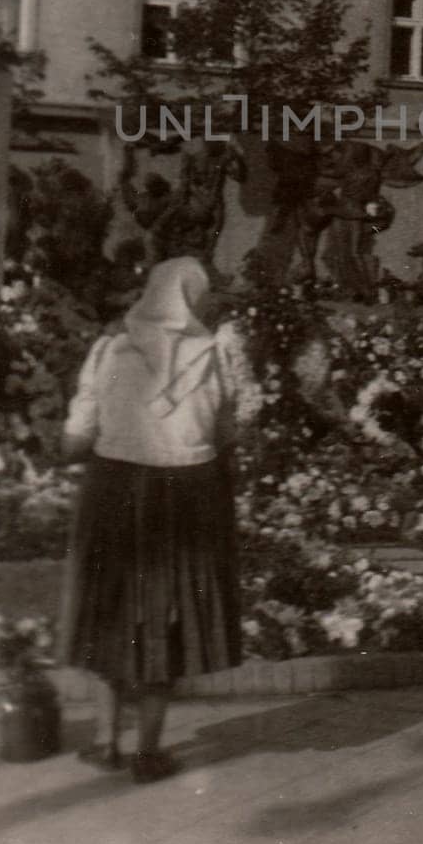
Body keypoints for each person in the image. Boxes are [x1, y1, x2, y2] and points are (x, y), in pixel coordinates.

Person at [59, 257, 243, 783]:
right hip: (188, 497)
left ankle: (106, 742)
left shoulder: (110, 349)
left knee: (110, 609)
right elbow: (226, 432)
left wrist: (86, 444)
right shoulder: (214, 355)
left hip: (115, 490)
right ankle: (148, 751)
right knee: (170, 614)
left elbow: (76, 435)